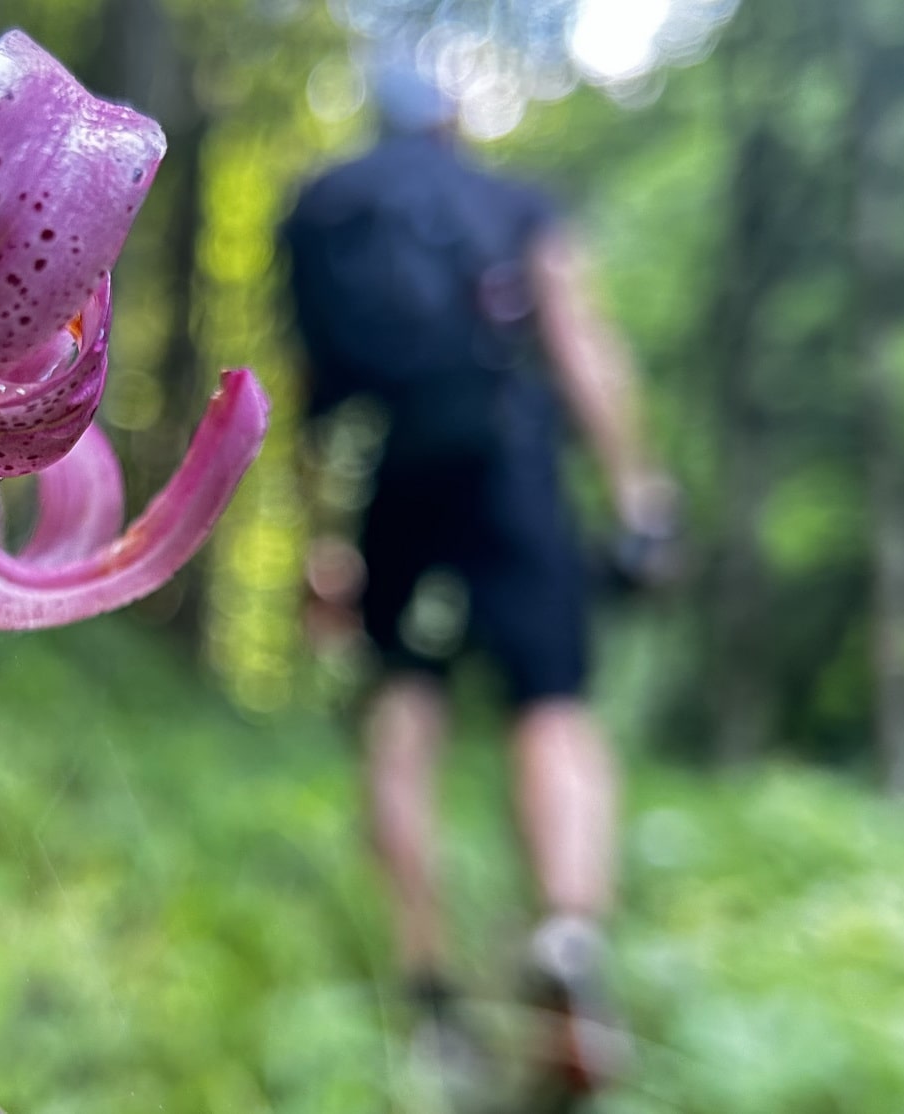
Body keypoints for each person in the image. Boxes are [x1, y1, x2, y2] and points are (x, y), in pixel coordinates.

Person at [281, 67, 677, 1094]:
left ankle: (430, 992)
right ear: (451, 121)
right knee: (554, 704)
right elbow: (581, 343)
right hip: (511, 466)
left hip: (393, 478)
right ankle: (568, 933)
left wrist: (322, 548)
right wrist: (639, 494)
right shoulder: (511, 201)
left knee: (402, 712)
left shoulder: (325, 208)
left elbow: (306, 393)